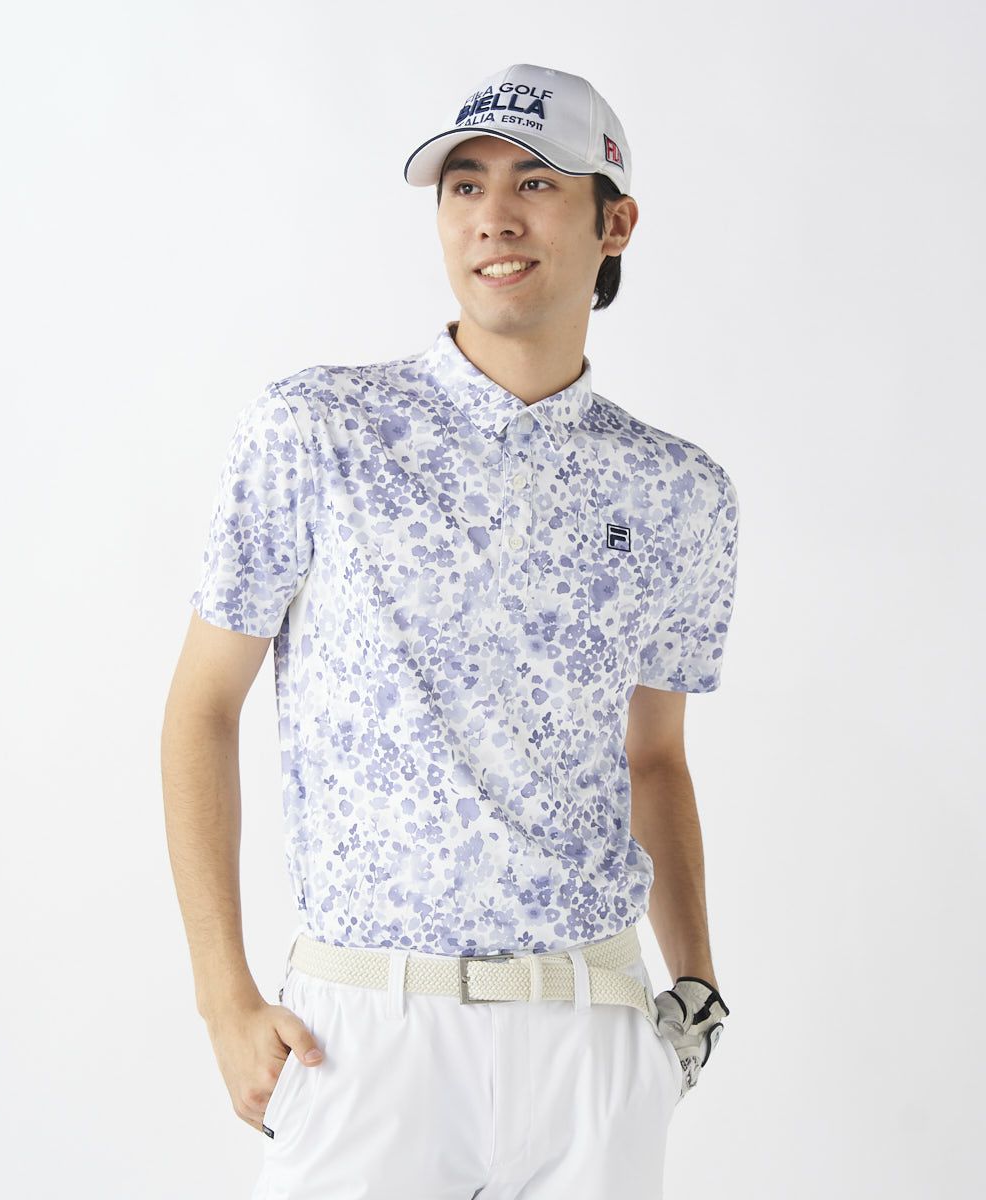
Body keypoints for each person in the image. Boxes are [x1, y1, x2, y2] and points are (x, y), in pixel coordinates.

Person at [162, 62, 738, 1200]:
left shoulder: (679, 492)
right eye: (464, 185)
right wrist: (223, 998)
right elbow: (201, 706)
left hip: (593, 1037)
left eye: (536, 183)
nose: (493, 216)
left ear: (614, 223)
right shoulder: (317, 430)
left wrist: (697, 991)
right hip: (363, 1037)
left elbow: (656, 759)